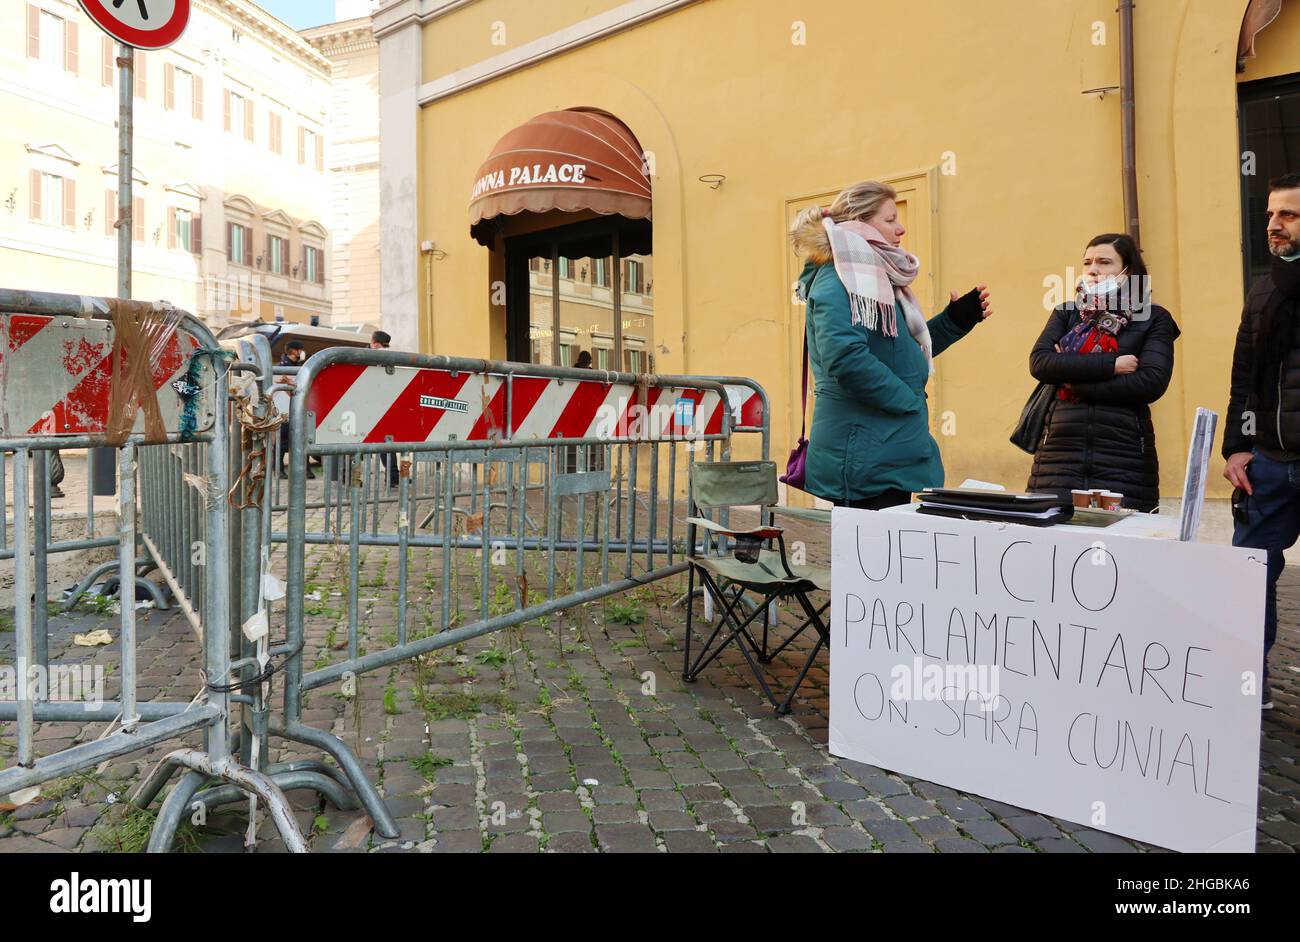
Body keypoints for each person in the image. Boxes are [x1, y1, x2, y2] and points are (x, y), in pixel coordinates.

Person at [789, 180, 991, 509]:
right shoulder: (839, 277)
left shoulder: (870, 277)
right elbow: (845, 359)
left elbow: (900, 354)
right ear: (859, 222)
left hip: (886, 449)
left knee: (883, 557)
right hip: (864, 457)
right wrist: (906, 399)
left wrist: (955, 320)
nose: (901, 229)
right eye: (890, 220)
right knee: (868, 557)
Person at [1026, 233, 1179, 511]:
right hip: (1059, 459)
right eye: (1087, 263)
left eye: (1104, 262)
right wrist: (1112, 365)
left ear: (1127, 270)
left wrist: (1072, 380)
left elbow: (1151, 382)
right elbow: (1041, 363)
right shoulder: (1067, 313)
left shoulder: (1155, 318)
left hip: (1124, 460)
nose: (1093, 269)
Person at [1222, 172, 1300, 711]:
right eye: (1271, 214)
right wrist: (1235, 446)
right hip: (1268, 461)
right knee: (1250, 577)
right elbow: (1244, 374)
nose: (1273, 225)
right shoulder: (1265, 286)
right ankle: (1250, 686)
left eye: (1288, 215)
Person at [276, 341, 312, 479]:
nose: (300, 353)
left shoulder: (300, 366)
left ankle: (305, 469)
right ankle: (279, 469)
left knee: (302, 439)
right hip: (284, 408)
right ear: (292, 350)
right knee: (283, 442)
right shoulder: (282, 367)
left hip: (298, 409)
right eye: (299, 350)